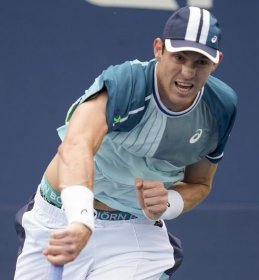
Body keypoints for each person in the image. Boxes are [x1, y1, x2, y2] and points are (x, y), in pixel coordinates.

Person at [14, 6, 237, 280]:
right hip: (60, 217)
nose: (188, 72)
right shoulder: (126, 84)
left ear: (216, 62)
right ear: (159, 49)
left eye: (200, 62)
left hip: (133, 234)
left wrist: (169, 202)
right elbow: (76, 146)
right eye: (179, 57)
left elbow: (200, 184)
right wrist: (81, 220)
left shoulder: (220, 108)